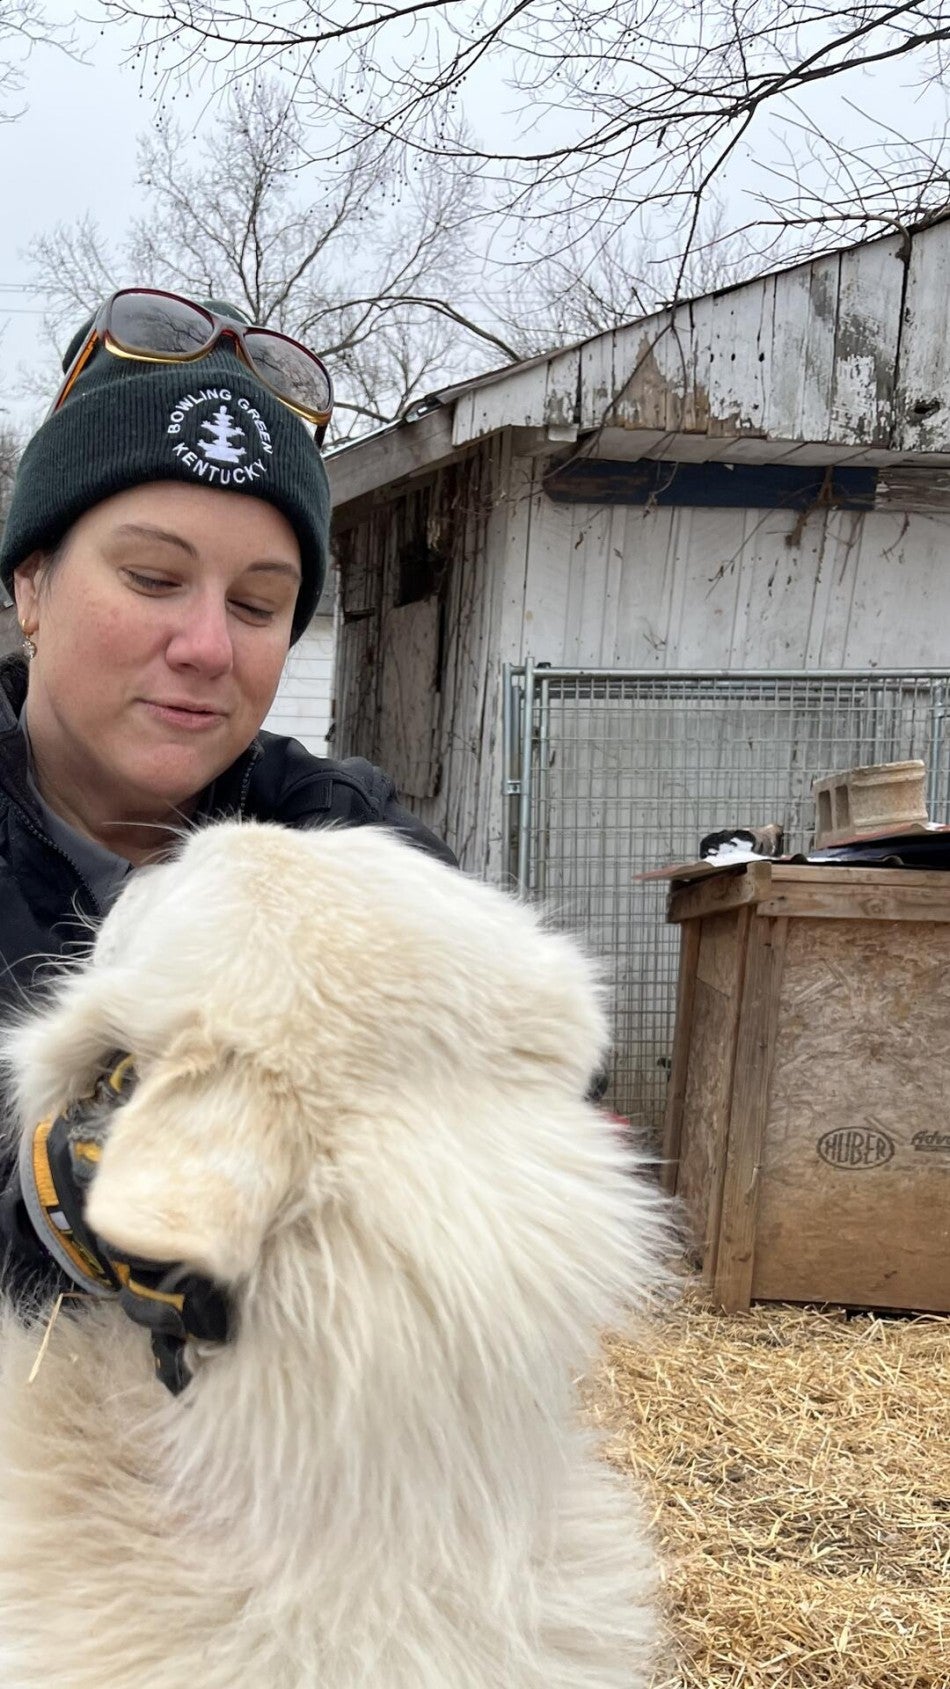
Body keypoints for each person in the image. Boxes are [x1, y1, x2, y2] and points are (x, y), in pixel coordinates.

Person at [0, 286, 455, 1305]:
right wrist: (51, 1200)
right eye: (154, 578)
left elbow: (509, 1056)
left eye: (257, 603)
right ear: (32, 587)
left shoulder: (339, 829)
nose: (207, 647)